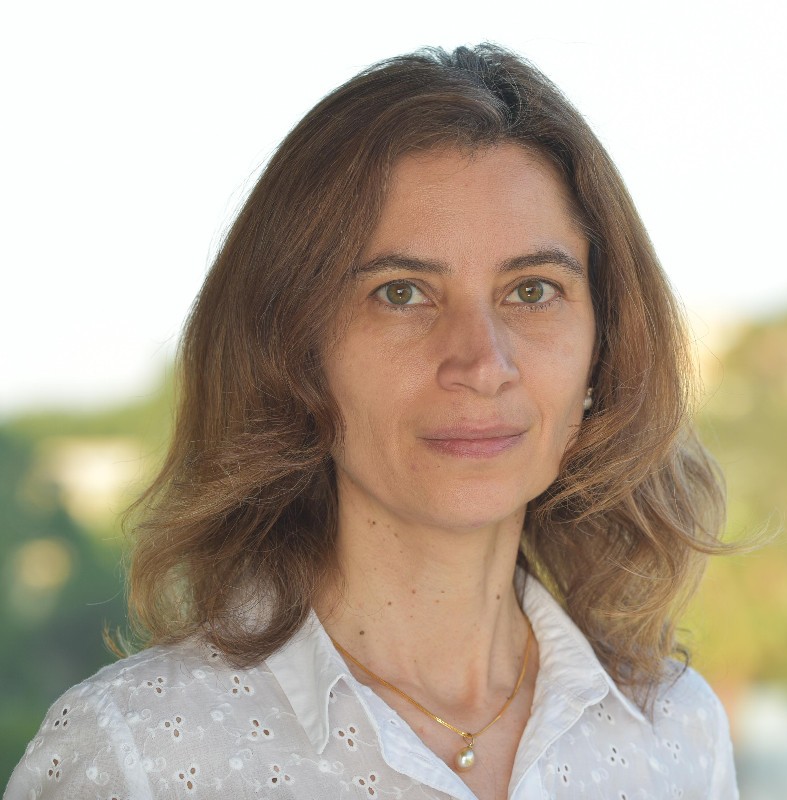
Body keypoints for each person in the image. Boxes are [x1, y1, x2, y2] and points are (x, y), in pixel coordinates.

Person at [6, 44, 737, 799]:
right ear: (294, 349)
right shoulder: (137, 753)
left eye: (531, 290)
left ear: (603, 346)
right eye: (401, 293)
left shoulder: (678, 736)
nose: (482, 363)